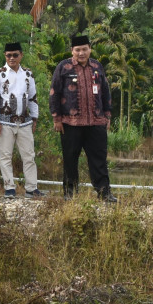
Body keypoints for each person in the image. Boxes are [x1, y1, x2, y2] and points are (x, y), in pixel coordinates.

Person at [50, 34, 115, 202]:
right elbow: (54, 93)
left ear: (90, 49)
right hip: (71, 123)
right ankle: (70, 194)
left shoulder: (97, 66)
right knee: (70, 160)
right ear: (72, 51)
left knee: (99, 160)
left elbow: (106, 92)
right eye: (77, 50)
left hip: (96, 122)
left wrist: (107, 115)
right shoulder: (63, 67)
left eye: (84, 49)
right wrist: (56, 118)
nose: (81, 53)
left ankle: (104, 193)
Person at [0, 42, 43, 198]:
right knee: (6, 155)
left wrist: (35, 118)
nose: (11, 58)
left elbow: (33, 97)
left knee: (29, 155)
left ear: (21, 55)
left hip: (25, 121)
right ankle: (9, 188)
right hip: (5, 121)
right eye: (8, 55)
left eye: (15, 55)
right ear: (5, 56)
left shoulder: (28, 74)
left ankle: (32, 188)